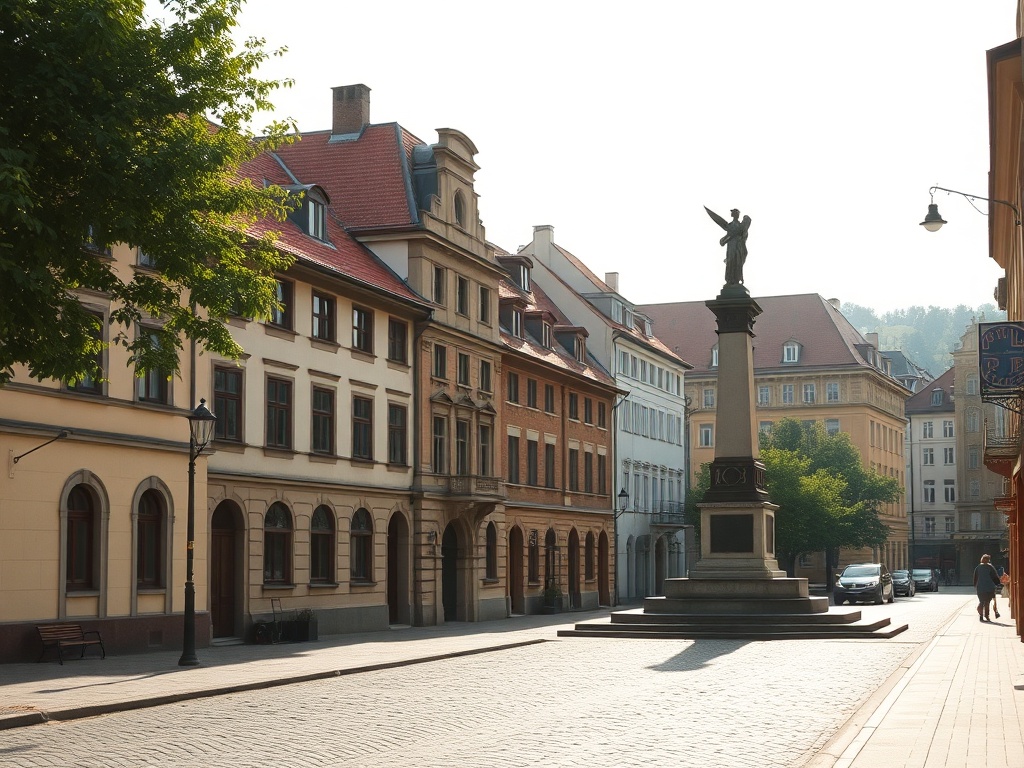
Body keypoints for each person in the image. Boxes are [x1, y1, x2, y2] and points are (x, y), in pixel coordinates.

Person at [705, 207, 752, 285]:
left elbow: (744, 235)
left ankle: (737, 279)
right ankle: (729, 280)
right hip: (731, 249)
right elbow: (720, 222)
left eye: (735, 212)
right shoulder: (729, 225)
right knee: (730, 263)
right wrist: (725, 239)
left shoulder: (741, 226)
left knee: (737, 263)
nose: (733, 213)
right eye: (732, 212)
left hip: (738, 248)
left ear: (737, 215)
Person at [973, 554, 1001, 622]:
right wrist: (998, 584)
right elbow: (995, 577)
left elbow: (975, 578)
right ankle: (986, 616)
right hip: (989, 588)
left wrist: (975, 585)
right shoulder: (990, 567)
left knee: (981, 601)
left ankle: (981, 616)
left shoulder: (978, 568)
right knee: (987, 602)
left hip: (980, 588)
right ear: (988, 560)